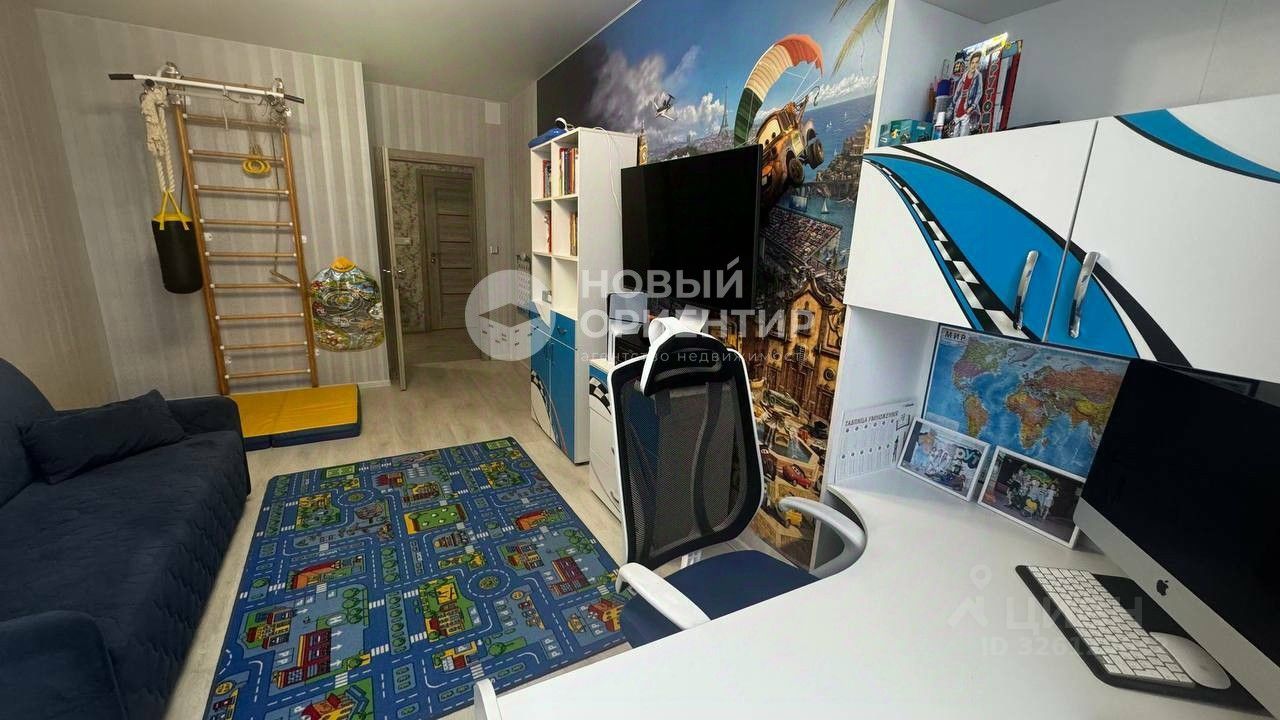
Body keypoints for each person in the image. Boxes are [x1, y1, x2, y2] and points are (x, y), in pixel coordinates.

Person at [950, 52, 984, 137]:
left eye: (976, 62)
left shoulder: (978, 76)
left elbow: (979, 93)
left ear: (978, 64)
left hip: (968, 108)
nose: (974, 65)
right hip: (958, 107)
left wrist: (972, 106)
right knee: (954, 134)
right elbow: (958, 89)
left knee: (963, 135)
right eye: (972, 62)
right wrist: (954, 101)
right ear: (970, 63)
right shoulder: (964, 75)